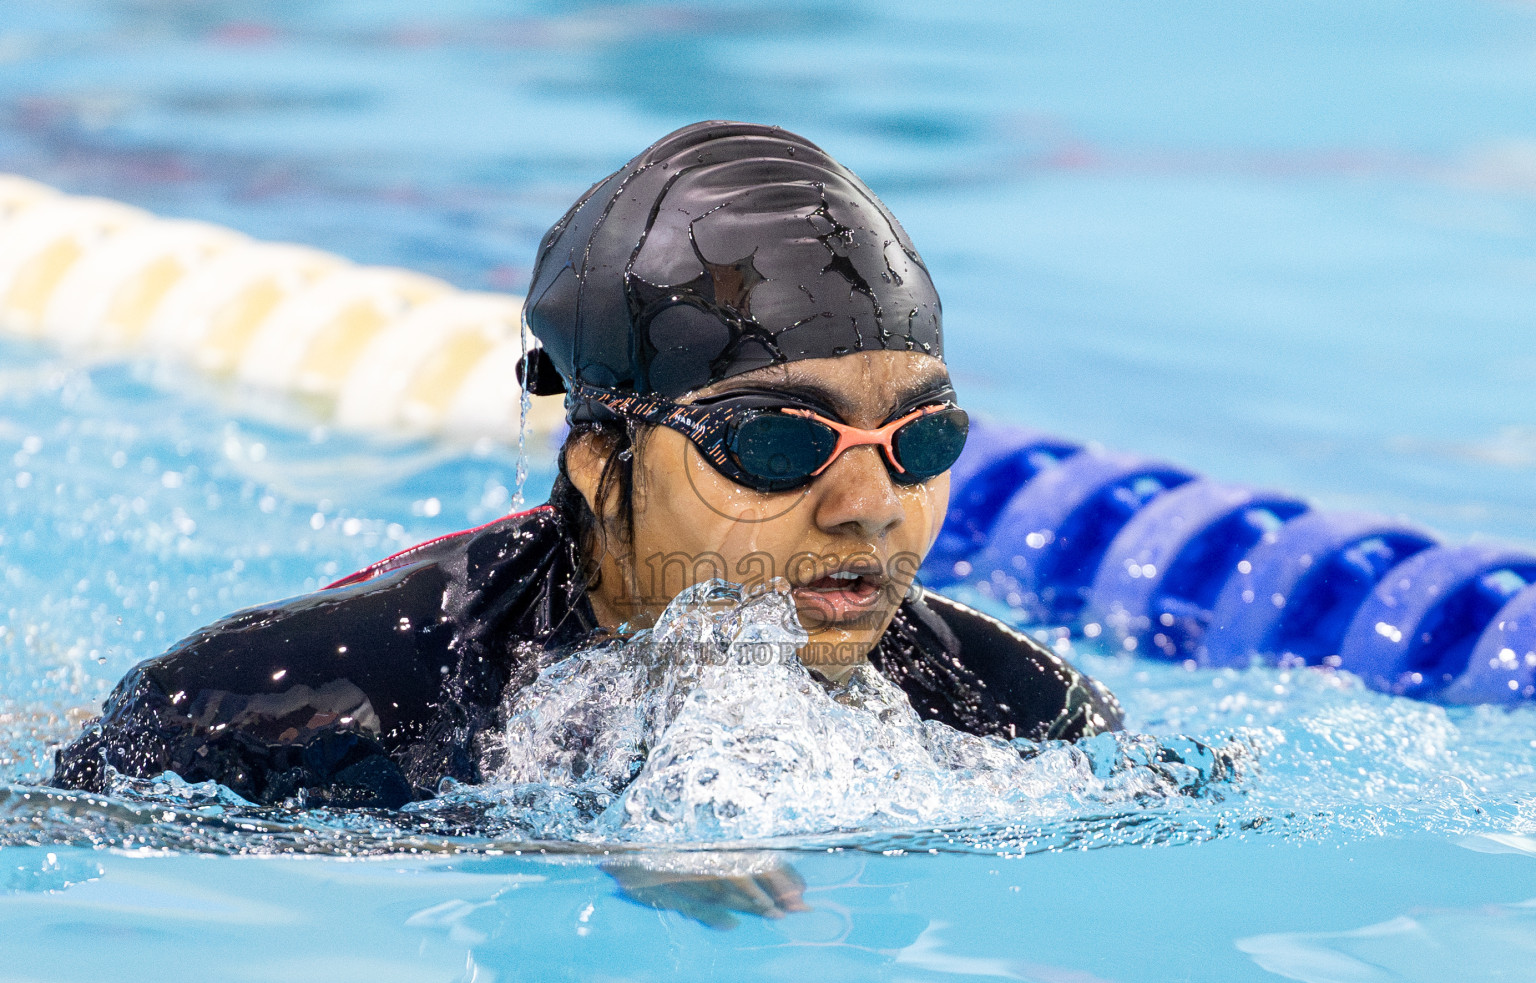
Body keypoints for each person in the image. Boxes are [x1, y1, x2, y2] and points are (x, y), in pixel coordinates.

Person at [51, 121, 1122, 819]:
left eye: (920, 439)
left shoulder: (1021, 717)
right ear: (602, 458)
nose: (870, 508)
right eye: (778, 443)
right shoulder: (293, 707)